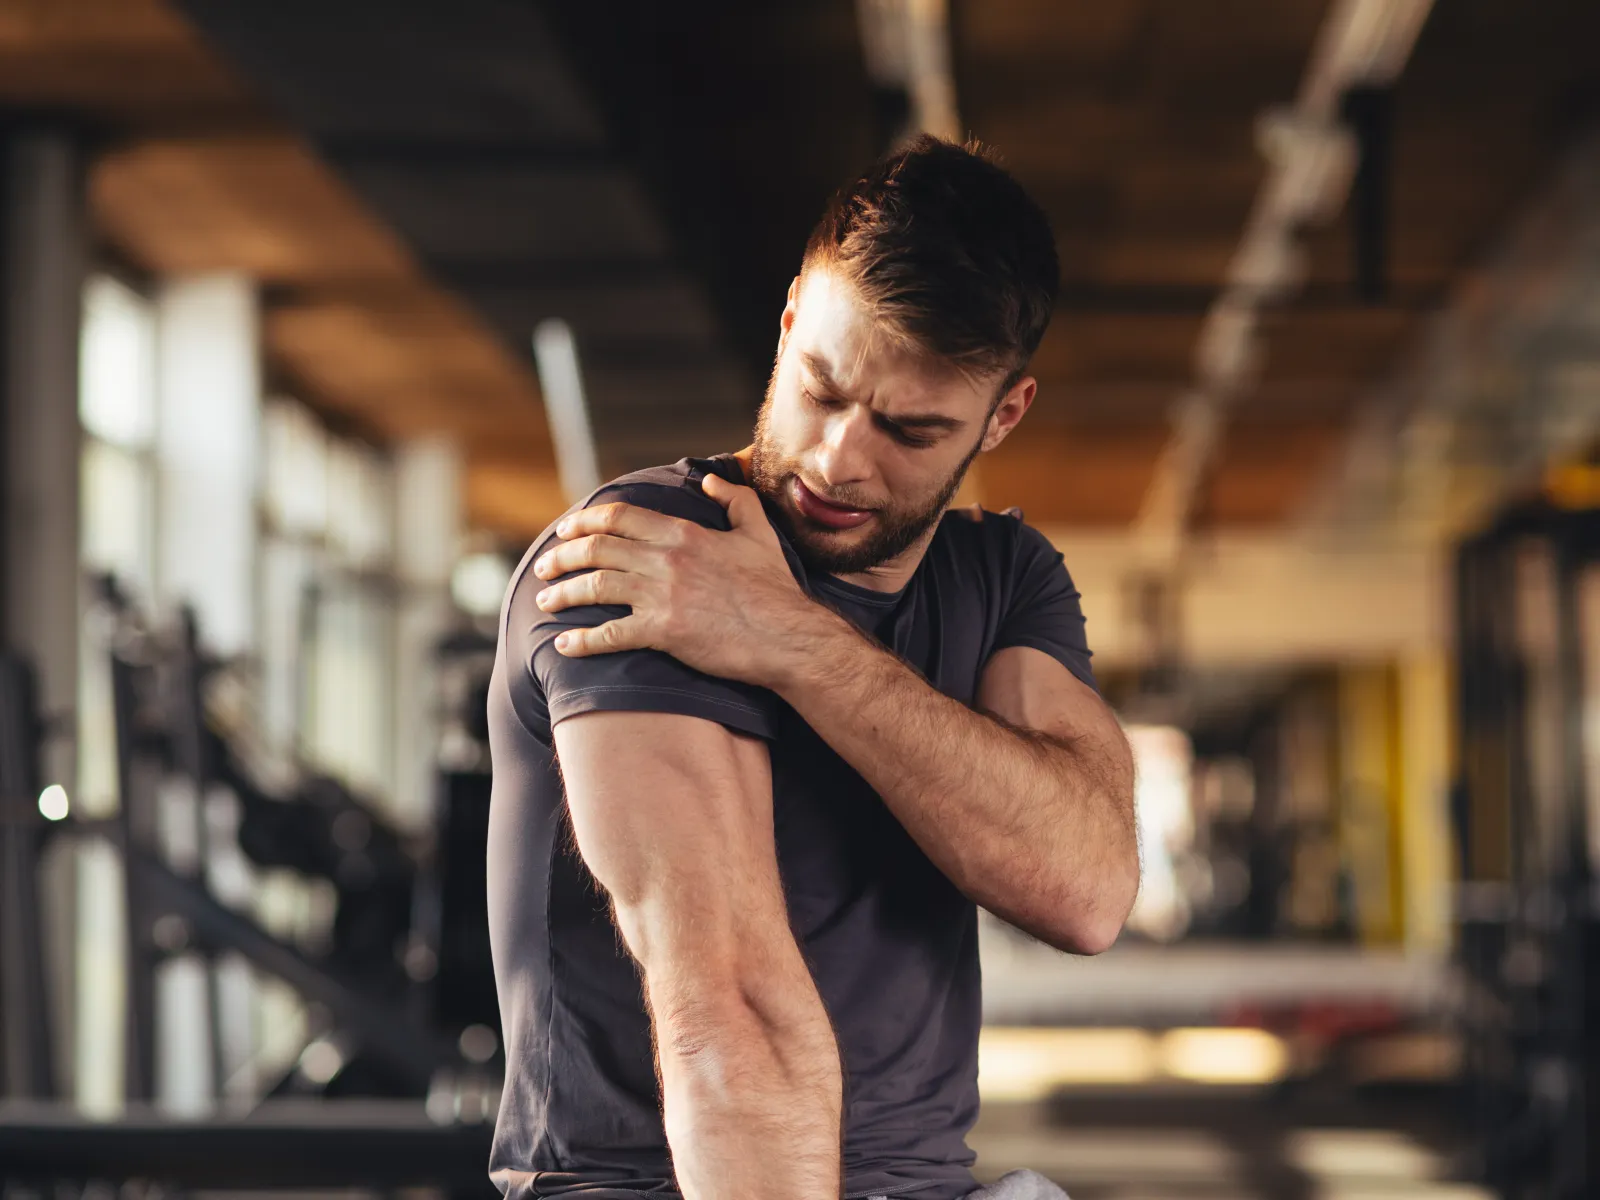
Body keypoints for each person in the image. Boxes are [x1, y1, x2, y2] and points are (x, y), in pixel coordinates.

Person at [486, 135, 1139, 1200]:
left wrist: (792, 643)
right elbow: (724, 1011)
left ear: (1002, 416)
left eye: (909, 429)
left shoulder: (1001, 577)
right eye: (822, 387)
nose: (840, 456)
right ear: (790, 321)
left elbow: (1086, 889)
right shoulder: (648, 555)